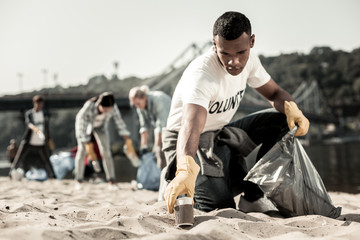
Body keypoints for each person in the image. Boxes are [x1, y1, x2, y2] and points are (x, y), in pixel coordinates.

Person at [162, 11, 310, 214]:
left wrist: (294, 110)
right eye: (226, 54)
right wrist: (185, 168)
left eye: (240, 53)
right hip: (186, 142)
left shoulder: (250, 62)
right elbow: (190, 125)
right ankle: (174, 179)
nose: (234, 62)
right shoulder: (201, 75)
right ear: (215, 45)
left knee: (282, 121)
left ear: (252, 41)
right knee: (220, 207)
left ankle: (253, 197)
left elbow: (275, 93)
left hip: (220, 135)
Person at [74, 91, 139, 189]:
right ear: (99, 105)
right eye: (104, 109)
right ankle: (78, 180)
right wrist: (86, 141)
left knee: (106, 151)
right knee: (82, 150)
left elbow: (119, 121)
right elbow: (81, 122)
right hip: (86, 126)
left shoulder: (113, 108)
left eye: (108, 110)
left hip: (101, 127)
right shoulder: (89, 106)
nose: (106, 112)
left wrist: (126, 138)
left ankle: (111, 180)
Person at [9, 95, 56, 179]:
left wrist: (49, 138)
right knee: (19, 157)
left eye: (41, 104)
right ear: (34, 103)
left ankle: (53, 175)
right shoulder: (29, 113)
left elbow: (46, 127)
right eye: (38, 104)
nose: (39, 106)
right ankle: (11, 173)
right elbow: (29, 124)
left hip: (41, 141)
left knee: (46, 159)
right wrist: (36, 130)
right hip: (29, 140)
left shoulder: (44, 114)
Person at [128, 85, 171, 169]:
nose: (137, 106)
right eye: (135, 105)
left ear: (144, 97)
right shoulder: (140, 107)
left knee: (162, 151)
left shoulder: (159, 99)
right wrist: (143, 148)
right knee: (159, 154)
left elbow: (161, 125)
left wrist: (156, 146)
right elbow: (144, 126)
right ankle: (161, 178)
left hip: (174, 126)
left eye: (138, 103)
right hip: (163, 128)